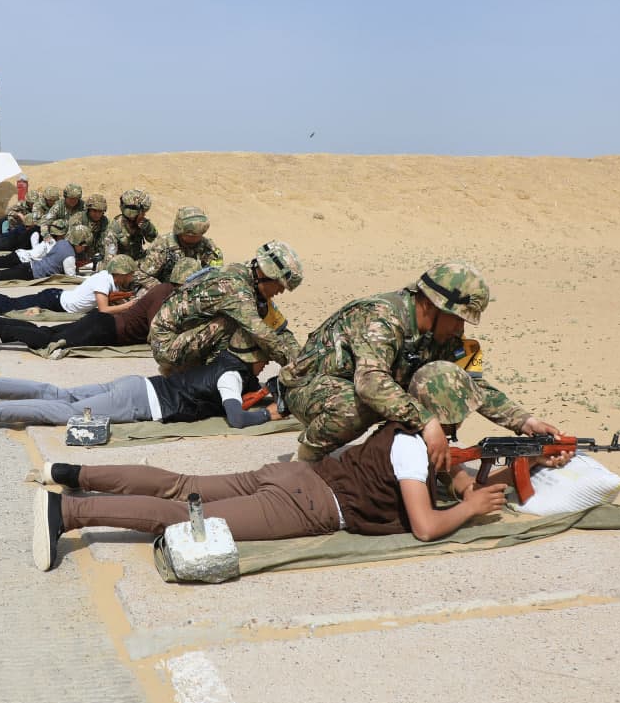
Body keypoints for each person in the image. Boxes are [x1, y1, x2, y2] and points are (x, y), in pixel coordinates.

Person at [30, 361, 569, 570]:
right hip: (308, 503)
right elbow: (427, 526)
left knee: (183, 485)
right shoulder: (413, 448)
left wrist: (534, 464)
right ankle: (69, 512)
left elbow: (459, 479)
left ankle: (73, 473)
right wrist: (472, 509)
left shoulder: (409, 434)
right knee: (185, 518)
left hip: (292, 475)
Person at [278, 261, 559, 465]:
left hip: (356, 385)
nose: (461, 329)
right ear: (436, 305)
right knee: (359, 404)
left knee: (443, 386)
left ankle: (394, 461)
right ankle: (306, 459)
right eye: (459, 317)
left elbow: (472, 386)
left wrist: (524, 421)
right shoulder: (383, 317)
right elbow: (371, 383)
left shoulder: (442, 334)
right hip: (310, 389)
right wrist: (426, 421)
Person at [0, 333, 287, 437]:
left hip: (138, 386)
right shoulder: (230, 377)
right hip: (140, 403)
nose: (263, 366)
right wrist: (268, 416)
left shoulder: (227, 367)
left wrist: (260, 395)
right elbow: (237, 418)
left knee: (60, 394)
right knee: (65, 411)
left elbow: (238, 395)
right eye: (263, 360)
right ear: (251, 357)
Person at [0, 257, 202, 358]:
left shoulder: (163, 290)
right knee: (47, 338)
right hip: (106, 328)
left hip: (103, 323)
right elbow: (156, 329)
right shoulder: (165, 293)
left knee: (52, 333)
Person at [149, 240, 303, 375]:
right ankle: (211, 377)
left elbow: (279, 328)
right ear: (266, 274)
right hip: (166, 345)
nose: (281, 291)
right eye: (280, 285)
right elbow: (263, 334)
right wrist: (297, 368)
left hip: (185, 336)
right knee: (235, 325)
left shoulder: (251, 284)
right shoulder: (235, 287)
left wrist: (303, 358)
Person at [0, 254, 137, 321]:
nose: (132, 277)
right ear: (122, 273)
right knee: (8, 306)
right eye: (130, 274)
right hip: (54, 301)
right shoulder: (103, 281)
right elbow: (104, 309)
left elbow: (107, 300)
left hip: (56, 298)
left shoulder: (107, 278)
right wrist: (130, 305)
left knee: (9, 305)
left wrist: (126, 299)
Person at [0, 220, 88, 283]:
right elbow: (71, 277)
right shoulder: (68, 253)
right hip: (27, 267)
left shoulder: (62, 243)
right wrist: (87, 278)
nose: (84, 249)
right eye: (84, 245)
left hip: (27, 264)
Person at [134, 206, 224, 290]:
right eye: (191, 234)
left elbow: (216, 273)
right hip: (164, 288)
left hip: (194, 289)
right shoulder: (162, 246)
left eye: (200, 234)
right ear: (180, 231)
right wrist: (163, 290)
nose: (196, 238)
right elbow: (140, 274)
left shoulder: (208, 248)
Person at [101, 189, 160, 260]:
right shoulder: (115, 229)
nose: (144, 215)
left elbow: (157, 242)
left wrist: (148, 229)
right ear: (131, 212)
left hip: (138, 261)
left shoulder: (143, 223)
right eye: (142, 212)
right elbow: (110, 258)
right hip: (122, 266)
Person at [68, 193, 110, 260]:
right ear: (88, 209)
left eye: (100, 211)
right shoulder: (77, 219)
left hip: (94, 255)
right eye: (94, 210)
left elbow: (106, 239)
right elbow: (71, 242)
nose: (97, 214)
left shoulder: (104, 221)